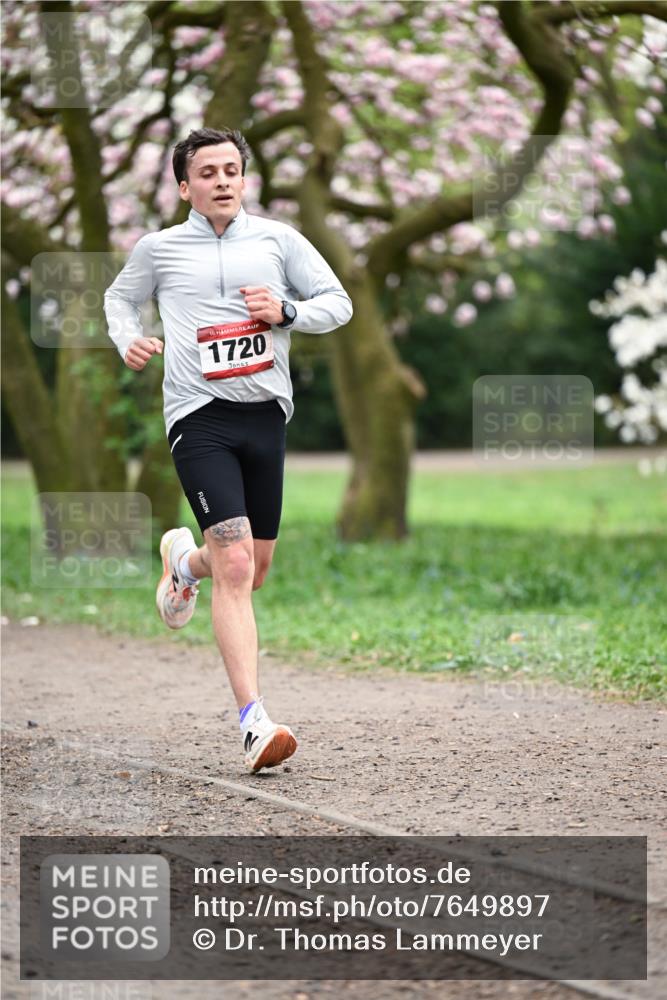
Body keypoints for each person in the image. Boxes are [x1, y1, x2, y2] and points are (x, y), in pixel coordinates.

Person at [104, 127, 353, 773]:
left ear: (244, 179)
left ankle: (184, 565)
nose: (222, 180)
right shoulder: (158, 248)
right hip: (199, 418)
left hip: (265, 416)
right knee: (237, 564)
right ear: (185, 186)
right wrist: (127, 337)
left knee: (252, 569)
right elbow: (119, 299)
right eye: (207, 172)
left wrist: (287, 313)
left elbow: (338, 304)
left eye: (231, 170)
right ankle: (254, 724)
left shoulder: (279, 240)